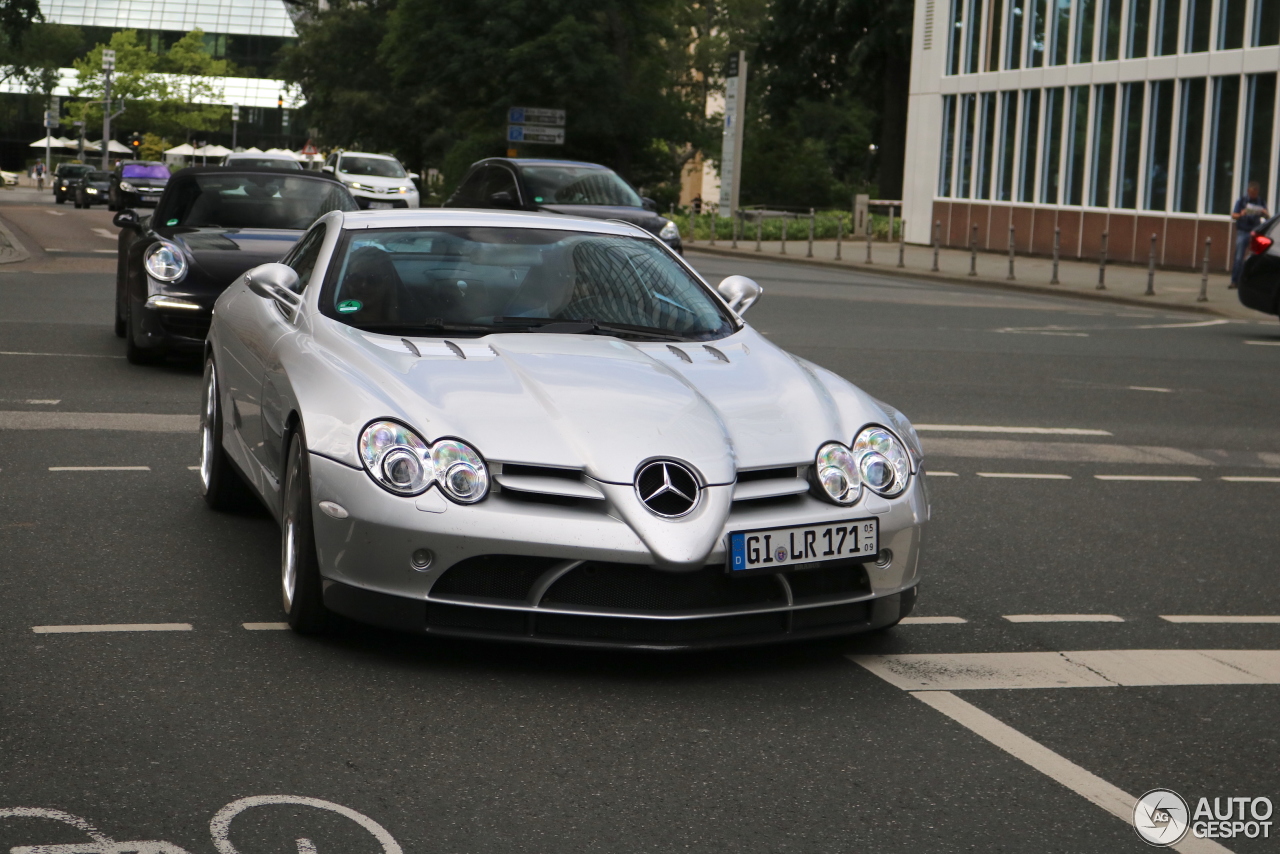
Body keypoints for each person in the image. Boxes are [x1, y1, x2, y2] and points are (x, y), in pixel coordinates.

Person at [1231, 180, 1269, 288]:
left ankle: (1251, 281)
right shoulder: (1242, 201)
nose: (1254, 195)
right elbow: (1234, 215)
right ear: (1248, 191)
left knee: (1255, 257)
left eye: (1255, 193)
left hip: (1254, 232)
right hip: (1242, 231)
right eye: (1252, 193)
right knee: (1239, 257)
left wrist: (1265, 213)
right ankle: (1235, 281)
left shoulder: (1261, 201)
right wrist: (1241, 214)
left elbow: (1267, 217)